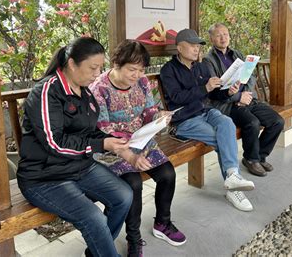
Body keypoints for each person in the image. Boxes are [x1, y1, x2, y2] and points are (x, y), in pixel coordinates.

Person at [17, 37, 133, 257]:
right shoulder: (48, 91)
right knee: (94, 217)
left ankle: (97, 252)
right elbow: (54, 142)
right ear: (71, 63)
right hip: (44, 177)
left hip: (79, 166)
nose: (97, 73)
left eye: (100, 67)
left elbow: (89, 131)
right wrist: (100, 144)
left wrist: (113, 141)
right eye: (93, 67)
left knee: (124, 196)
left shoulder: (85, 92)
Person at [89, 40, 186, 257]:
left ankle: (163, 223)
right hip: (112, 148)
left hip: (141, 140)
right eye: (132, 69)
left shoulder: (142, 83)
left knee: (167, 174)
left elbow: (149, 111)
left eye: (141, 70)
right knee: (133, 183)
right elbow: (103, 129)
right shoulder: (99, 89)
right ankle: (133, 238)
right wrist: (128, 152)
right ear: (116, 64)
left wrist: (159, 117)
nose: (137, 75)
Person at [160, 29, 256, 212]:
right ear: (179, 48)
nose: (196, 50)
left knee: (226, 123)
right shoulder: (168, 70)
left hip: (205, 111)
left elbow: (213, 93)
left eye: (198, 46)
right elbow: (176, 97)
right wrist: (204, 87)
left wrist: (228, 91)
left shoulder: (201, 66)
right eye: (192, 46)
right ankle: (232, 186)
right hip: (184, 119)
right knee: (222, 137)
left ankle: (232, 176)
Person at [203, 23, 284, 177]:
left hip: (247, 99)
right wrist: (238, 97)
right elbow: (214, 92)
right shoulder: (208, 60)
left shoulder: (237, 54)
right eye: (219, 35)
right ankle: (251, 159)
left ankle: (260, 156)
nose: (223, 38)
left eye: (225, 34)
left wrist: (246, 94)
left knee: (277, 121)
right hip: (227, 104)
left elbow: (250, 76)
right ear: (211, 38)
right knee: (252, 123)